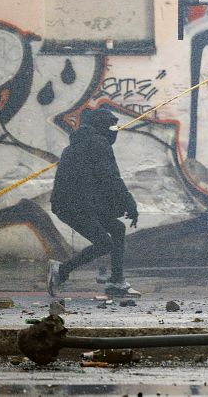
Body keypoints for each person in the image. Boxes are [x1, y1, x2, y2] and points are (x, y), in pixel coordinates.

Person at [47, 108, 140, 297]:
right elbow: (111, 178)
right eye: (112, 126)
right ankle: (61, 271)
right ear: (101, 127)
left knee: (117, 229)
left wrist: (116, 206)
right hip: (74, 205)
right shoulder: (99, 144)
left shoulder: (78, 144)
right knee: (104, 243)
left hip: (76, 203)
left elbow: (95, 181)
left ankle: (116, 281)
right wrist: (130, 204)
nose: (115, 130)